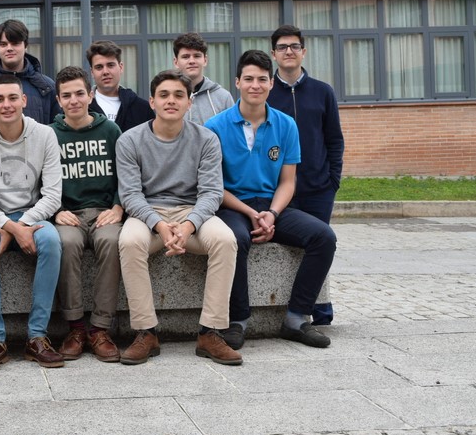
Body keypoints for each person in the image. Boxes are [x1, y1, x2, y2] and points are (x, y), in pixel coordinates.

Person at [206, 50, 337, 351]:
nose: (255, 85)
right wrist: (251, 213)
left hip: (272, 204)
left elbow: (288, 181)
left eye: (262, 79)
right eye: (249, 79)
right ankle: (237, 320)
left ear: (271, 84)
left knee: (324, 237)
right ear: (237, 82)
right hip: (232, 205)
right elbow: (214, 186)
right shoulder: (214, 126)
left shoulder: (286, 125)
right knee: (235, 239)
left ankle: (296, 318)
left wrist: (272, 214)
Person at [116, 70, 242, 366]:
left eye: (178, 95)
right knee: (129, 242)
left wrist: (188, 226)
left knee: (225, 240)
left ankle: (210, 333)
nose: (170, 101)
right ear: (152, 102)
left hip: (192, 211)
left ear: (189, 103)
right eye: (163, 95)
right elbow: (130, 195)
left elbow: (212, 192)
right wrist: (159, 225)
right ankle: (146, 333)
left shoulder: (206, 139)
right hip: (148, 213)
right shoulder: (130, 140)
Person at [0, 74, 64, 372]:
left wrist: (22, 225)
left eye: (12, 98)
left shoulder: (44, 135)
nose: (6, 105)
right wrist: (9, 227)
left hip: (33, 214)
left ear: (24, 100)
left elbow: (53, 195)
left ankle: (37, 336)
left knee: (52, 241)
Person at [266, 25, 344, 326]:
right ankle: (282, 306)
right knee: (285, 248)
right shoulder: (266, 92)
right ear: (274, 54)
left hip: (318, 189)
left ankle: (320, 309)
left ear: (303, 51)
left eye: (294, 46)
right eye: (282, 47)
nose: (289, 51)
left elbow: (334, 139)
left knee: (321, 244)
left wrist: (332, 180)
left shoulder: (323, 92)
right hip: (277, 190)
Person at [50, 66, 123, 363]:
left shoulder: (111, 131)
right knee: (66, 244)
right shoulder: (49, 134)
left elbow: (126, 175)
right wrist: (55, 211)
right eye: (66, 95)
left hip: (106, 212)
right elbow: (40, 180)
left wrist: (118, 206)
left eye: (80, 93)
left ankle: (100, 328)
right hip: (69, 213)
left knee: (112, 242)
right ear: (58, 100)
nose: (74, 100)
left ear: (91, 95)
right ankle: (76, 328)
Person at [87, 40, 153, 131]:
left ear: (121, 67)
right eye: (99, 67)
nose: (105, 72)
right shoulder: (83, 108)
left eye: (110, 65)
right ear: (92, 72)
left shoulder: (142, 108)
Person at [172, 32, 234, 125]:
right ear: (176, 62)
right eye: (186, 57)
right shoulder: (167, 97)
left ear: (205, 60)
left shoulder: (223, 97)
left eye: (197, 56)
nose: (191, 61)